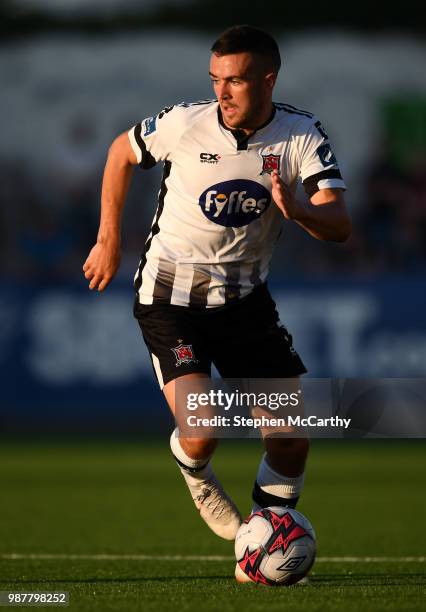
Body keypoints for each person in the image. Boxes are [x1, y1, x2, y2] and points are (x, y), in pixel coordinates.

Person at [83, 25, 351, 578]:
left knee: (291, 442)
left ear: (268, 80)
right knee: (203, 428)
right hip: (169, 296)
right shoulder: (185, 123)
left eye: (234, 81)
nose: (222, 92)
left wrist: (297, 208)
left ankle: (265, 541)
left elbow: (339, 224)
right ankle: (196, 471)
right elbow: (120, 152)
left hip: (246, 301)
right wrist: (109, 236)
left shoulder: (301, 136)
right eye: (216, 80)